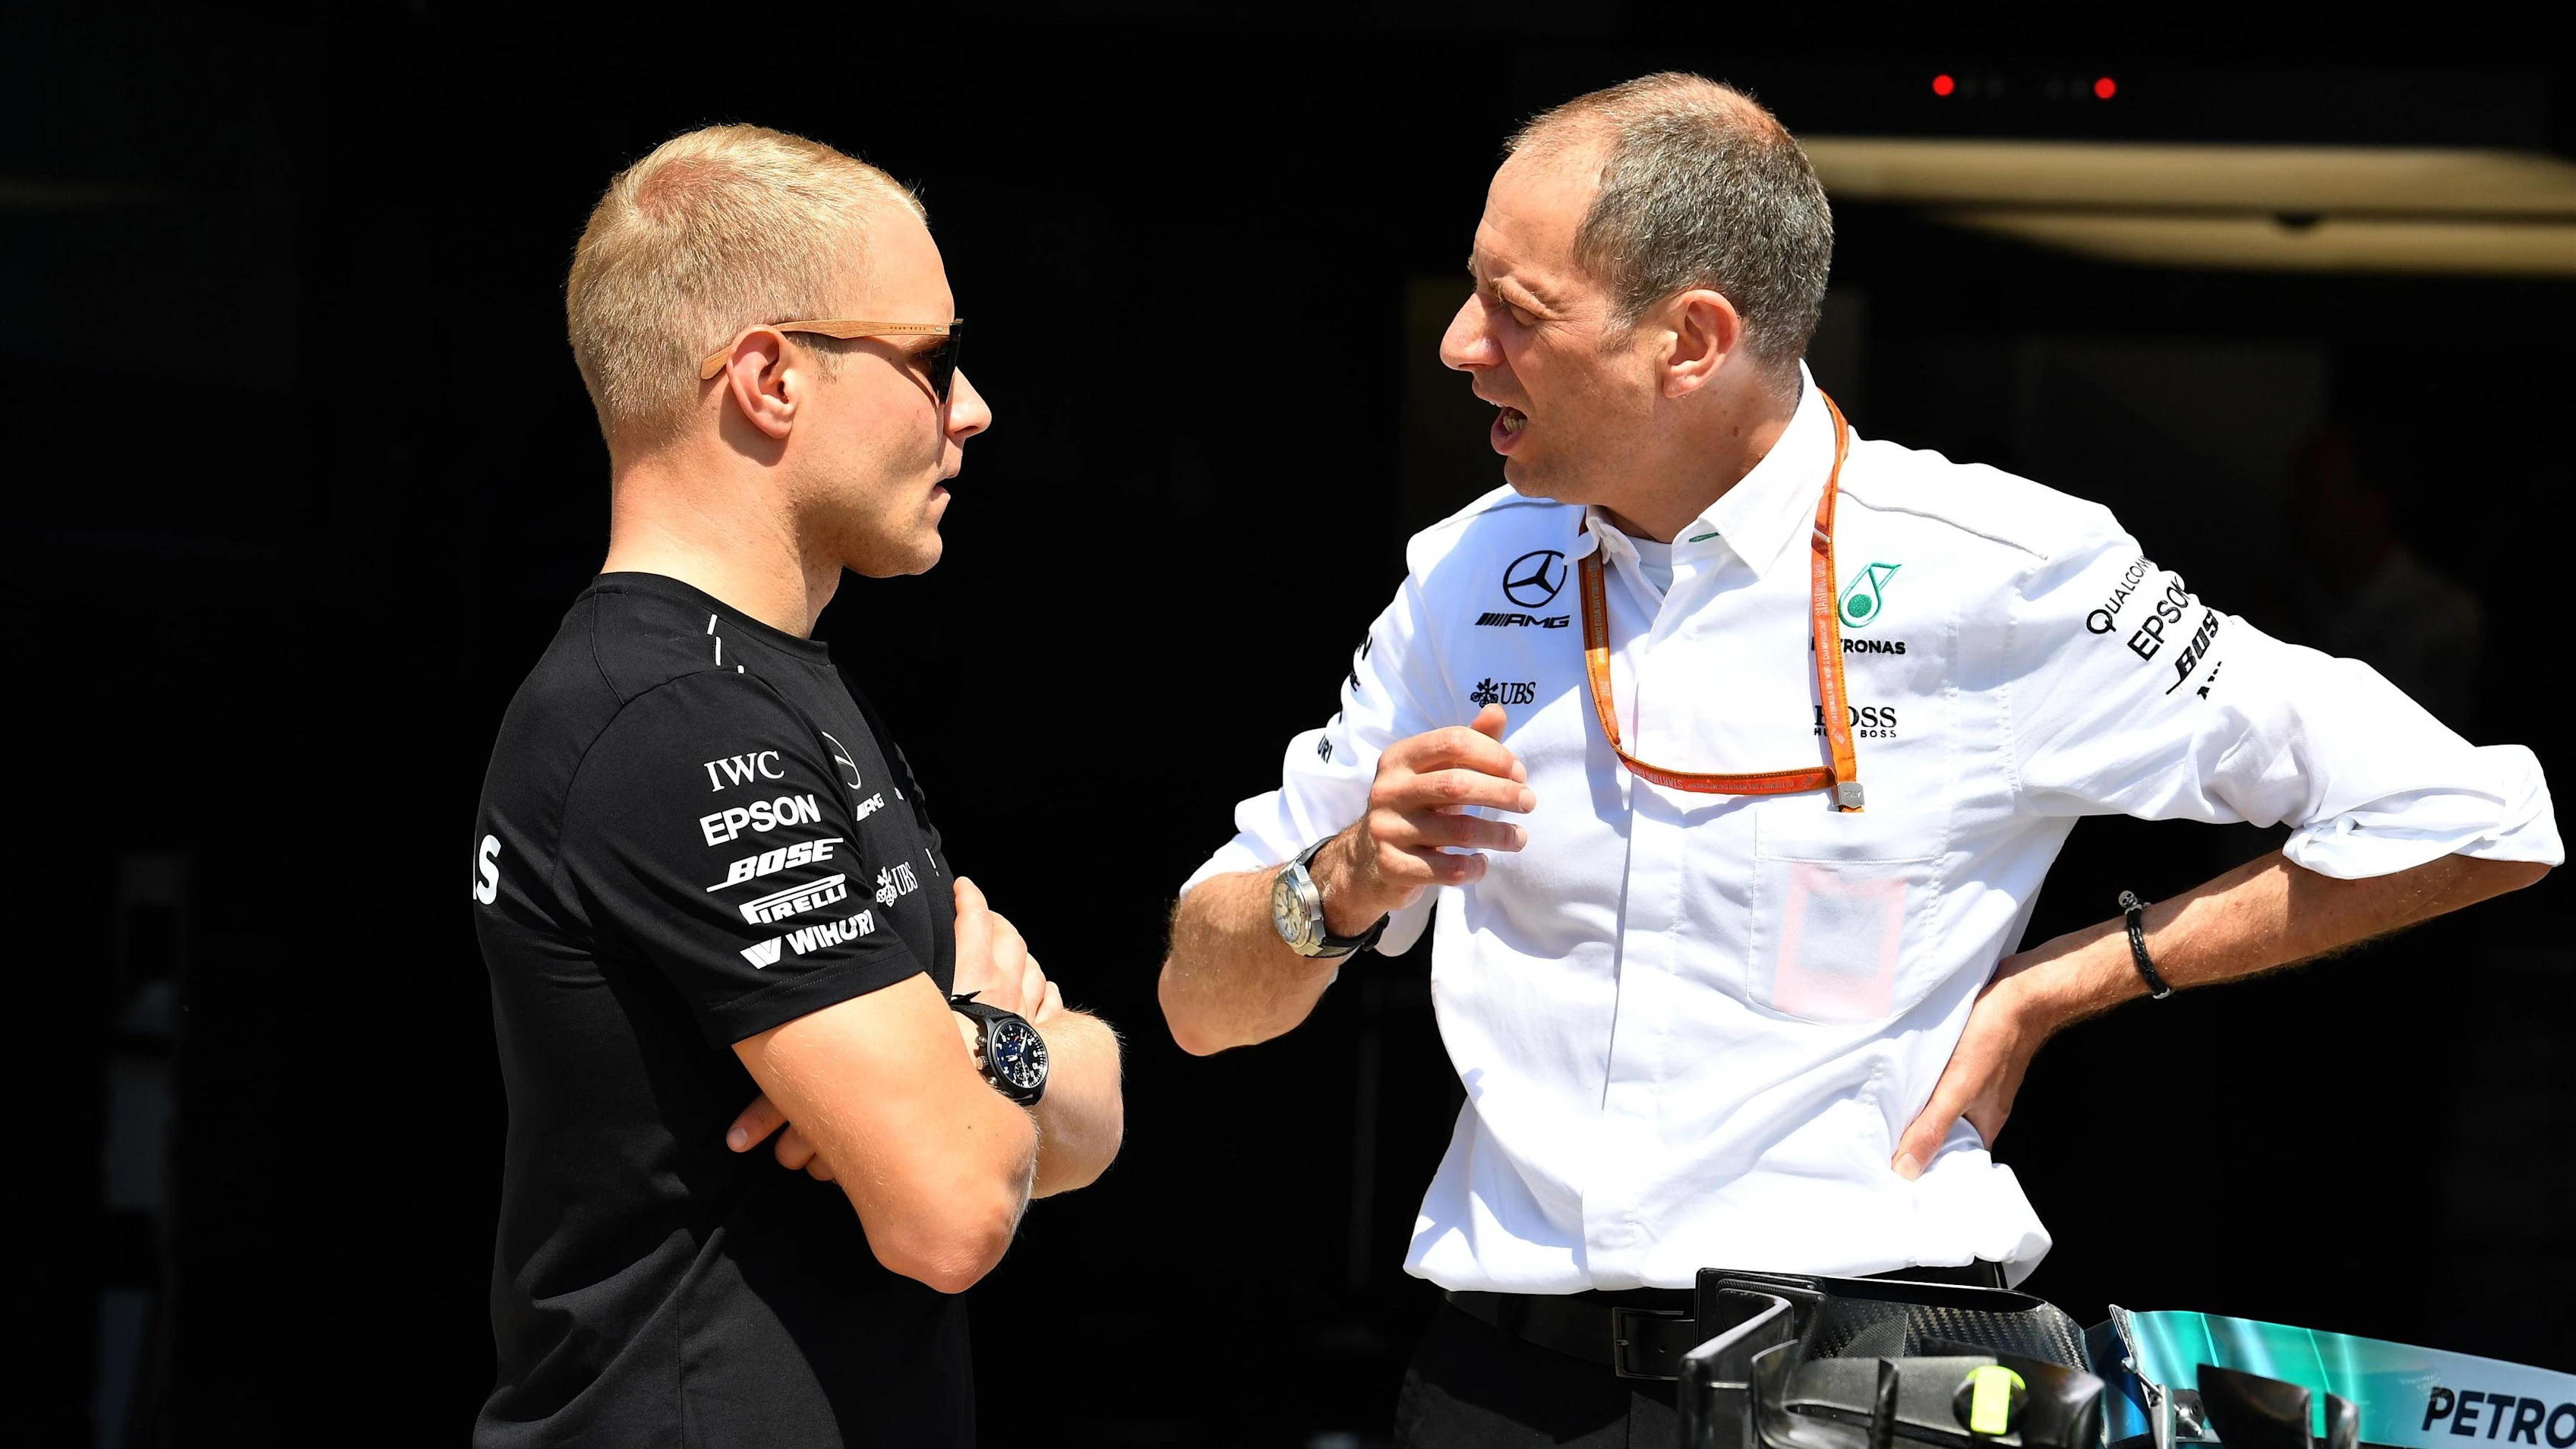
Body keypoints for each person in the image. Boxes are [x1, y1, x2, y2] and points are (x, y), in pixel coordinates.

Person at [1156, 74, 2557, 1447]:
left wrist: (2069, 981)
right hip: (1503, 1389)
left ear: (1690, 340)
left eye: (1518, 312)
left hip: (1866, 1382)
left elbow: (2472, 819)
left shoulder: (1994, 570)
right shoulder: (1463, 576)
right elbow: (1199, 1003)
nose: (1463, 343)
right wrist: (1333, 886)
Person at [469, 125, 1123, 1447]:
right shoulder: (673, 717)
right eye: (932, 361)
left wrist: (973, 1053)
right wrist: (997, 1041)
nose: (973, 408)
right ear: (768, 377)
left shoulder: (769, 683)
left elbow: (1098, 1117)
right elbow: (951, 1208)